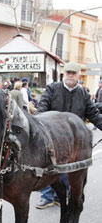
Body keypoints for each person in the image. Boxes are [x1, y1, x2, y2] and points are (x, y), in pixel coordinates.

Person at [35, 62, 102, 208]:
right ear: (64, 74)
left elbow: (94, 116)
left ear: (78, 75)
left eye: (73, 73)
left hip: (73, 139)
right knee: (48, 167)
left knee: (68, 169)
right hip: (52, 136)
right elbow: (42, 108)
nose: (70, 75)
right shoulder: (53, 89)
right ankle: (47, 197)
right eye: (68, 73)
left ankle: (61, 196)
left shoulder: (83, 94)